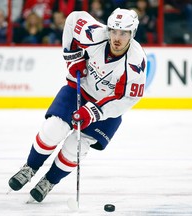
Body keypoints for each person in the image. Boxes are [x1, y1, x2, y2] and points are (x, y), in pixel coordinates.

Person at [8, 8, 147, 203]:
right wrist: (72, 57)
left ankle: (49, 181)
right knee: (53, 129)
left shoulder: (136, 63)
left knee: (76, 147)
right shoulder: (95, 35)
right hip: (79, 90)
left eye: (123, 33)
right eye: (113, 31)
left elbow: (127, 99)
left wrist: (93, 111)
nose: (117, 38)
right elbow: (74, 20)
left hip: (106, 110)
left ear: (132, 34)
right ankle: (29, 167)